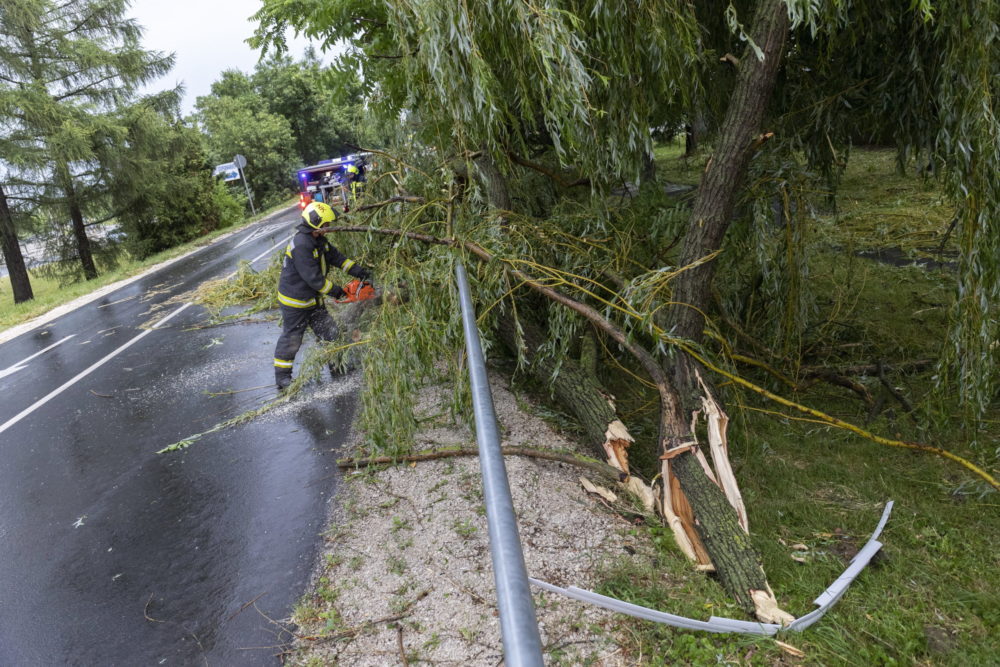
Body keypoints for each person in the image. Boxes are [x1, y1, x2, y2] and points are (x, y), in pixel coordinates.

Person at [273, 201, 371, 390]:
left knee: (330, 332)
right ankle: (283, 378)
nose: (328, 228)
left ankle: (337, 365)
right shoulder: (301, 245)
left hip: (314, 300)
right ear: (317, 225)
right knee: (292, 338)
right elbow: (314, 279)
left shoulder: (318, 240)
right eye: (326, 225)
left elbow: (337, 258)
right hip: (296, 302)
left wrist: (360, 272)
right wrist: (338, 291)